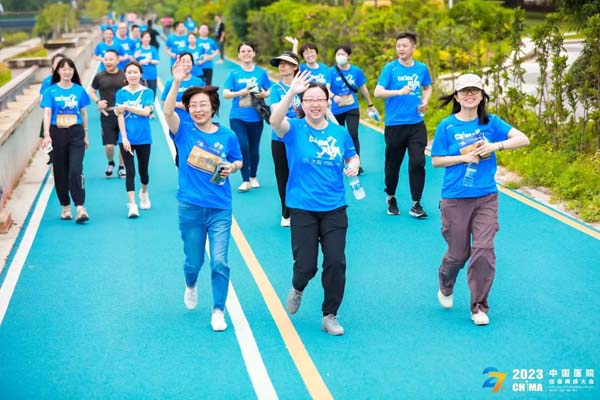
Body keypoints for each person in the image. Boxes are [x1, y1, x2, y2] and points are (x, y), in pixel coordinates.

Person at [431, 73, 530, 326]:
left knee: (484, 250)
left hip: (486, 196)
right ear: (456, 97)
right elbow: (436, 160)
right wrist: (463, 158)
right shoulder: (447, 126)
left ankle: (478, 306)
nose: (470, 95)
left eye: (474, 90)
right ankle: (445, 283)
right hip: (455, 197)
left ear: (482, 95)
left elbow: (523, 139)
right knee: (458, 254)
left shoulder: (491, 122)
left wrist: (495, 146)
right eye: (464, 91)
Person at [270, 70, 360, 336]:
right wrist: (292, 91)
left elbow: (352, 156)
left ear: (327, 102)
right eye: (309, 100)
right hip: (302, 207)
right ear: (302, 104)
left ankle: (330, 315)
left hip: (334, 206)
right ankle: (298, 287)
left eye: (320, 99)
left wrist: (354, 165)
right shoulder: (294, 129)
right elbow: (275, 120)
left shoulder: (339, 132)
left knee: (336, 262)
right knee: (306, 265)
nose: (315, 104)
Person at [163, 59, 243, 332]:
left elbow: (237, 160)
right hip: (190, 208)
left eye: (203, 105)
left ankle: (218, 310)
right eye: (193, 105)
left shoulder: (228, 135)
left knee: (220, 261)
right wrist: (176, 81)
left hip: (220, 208)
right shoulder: (183, 131)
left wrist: (233, 167)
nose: (198, 109)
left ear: (213, 107)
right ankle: (191, 284)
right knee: (193, 262)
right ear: (188, 109)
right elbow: (167, 111)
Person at [374, 32, 432, 218]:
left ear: (413, 47)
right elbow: (377, 92)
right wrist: (398, 92)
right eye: (398, 45)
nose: (400, 49)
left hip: (416, 123)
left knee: (418, 162)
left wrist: (425, 101)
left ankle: (416, 203)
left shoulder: (421, 68)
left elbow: (427, 87)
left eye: (404, 45)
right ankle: (391, 196)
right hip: (395, 124)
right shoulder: (390, 68)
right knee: (393, 165)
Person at [41, 58, 91, 223]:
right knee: (60, 171)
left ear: (73, 71)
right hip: (57, 133)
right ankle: (65, 205)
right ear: (58, 71)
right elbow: (47, 113)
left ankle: (80, 207)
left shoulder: (79, 90)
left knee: (76, 169)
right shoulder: (51, 91)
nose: (67, 72)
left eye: (70, 69)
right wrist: (47, 134)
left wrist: (86, 134)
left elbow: (83, 113)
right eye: (64, 69)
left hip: (76, 133)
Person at [223, 43, 271, 192]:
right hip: (237, 117)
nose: (246, 53)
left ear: (254, 53)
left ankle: (253, 176)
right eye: (243, 51)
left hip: (256, 116)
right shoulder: (234, 74)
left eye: (249, 51)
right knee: (243, 146)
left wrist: (263, 94)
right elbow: (225, 94)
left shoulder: (260, 72)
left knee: (254, 149)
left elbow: (269, 89)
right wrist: (240, 92)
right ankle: (245, 180)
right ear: (239, 55)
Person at [327, 45, 377, 174]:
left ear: (349, 56)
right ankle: (338, 162)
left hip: (352, 106)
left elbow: (363, 88)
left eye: (343, 54)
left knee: (353, 133)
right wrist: (333, 96)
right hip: (336, 108)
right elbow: (326, 87)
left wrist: (370, 104)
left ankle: (356, 164)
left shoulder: (356, 71)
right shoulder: (331, 71)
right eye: (338, 54)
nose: (340, 57)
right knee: (338, 135)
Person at [115, 62, 154, 218]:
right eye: (129, 72)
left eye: (135, 72)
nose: (132, 75)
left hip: (144, 138)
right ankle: (132, 205)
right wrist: (124, 137)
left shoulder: (147, 92)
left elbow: (146, 112)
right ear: (125, 75)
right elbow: (119, 116)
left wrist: (127, 107)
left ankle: (144, 192)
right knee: (130, 172)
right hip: (126, 139)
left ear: (140, 74)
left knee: (143, 172)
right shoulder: (121, 93)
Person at [269, 51, 301, 227]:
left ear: (295, 67)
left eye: (287, 63)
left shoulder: (305, 88)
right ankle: (286, 212)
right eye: (280, 63)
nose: (282, 66)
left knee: (302, 173)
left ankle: (303, 209)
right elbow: (276, 112)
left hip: (302, 138)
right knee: (283, 175)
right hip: (280, 138)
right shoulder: (275, 89)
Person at [161, 52, 204, 166]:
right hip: (177, 124)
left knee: (195, 152)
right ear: (178, 64)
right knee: (181, 153)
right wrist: (179, 105)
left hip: (195, 122)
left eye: (188, 61)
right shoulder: (171, 82)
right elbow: (164, 101)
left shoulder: (198, 82)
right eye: (183, 61)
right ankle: (182, 173)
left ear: (192, 64)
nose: (186, 64)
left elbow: (204, 100)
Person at [89, 49, 127, 178]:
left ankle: (122, 167)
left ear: (117, 60)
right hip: (107, 115)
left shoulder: (124, 76)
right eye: (105, 59)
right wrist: (98, 101)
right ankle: (111, 162)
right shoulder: (99, 77)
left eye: (111, 59)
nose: (108, 62)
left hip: (123, 114)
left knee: (123, 143)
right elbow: (91, 91)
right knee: (109, 146)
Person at [136, 31, 160, 100]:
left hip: (152, 75)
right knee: (142, 95)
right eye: (145, 37)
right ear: (141, 39)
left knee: (152, 94)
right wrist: (139, 61)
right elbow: (134, 63)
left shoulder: (153, 49)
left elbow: (157, 61)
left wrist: (149, 61)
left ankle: (151, 106)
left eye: (148, 37)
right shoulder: (138, 50)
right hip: (142, 76)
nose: (147, 39)